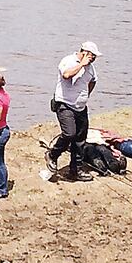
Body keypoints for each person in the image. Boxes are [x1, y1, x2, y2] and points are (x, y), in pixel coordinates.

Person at [46, 42, 101, 182]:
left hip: (81, 107)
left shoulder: (91, 68)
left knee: (80, 140)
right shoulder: (68, 61)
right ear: (85, 53)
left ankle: (76, 170)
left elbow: (93, 80)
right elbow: (66, 75)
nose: (93, 59)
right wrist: (82, 64)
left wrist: (86, 95)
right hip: (65, 104)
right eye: (92, 56)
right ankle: (53, 154)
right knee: (69, 134)